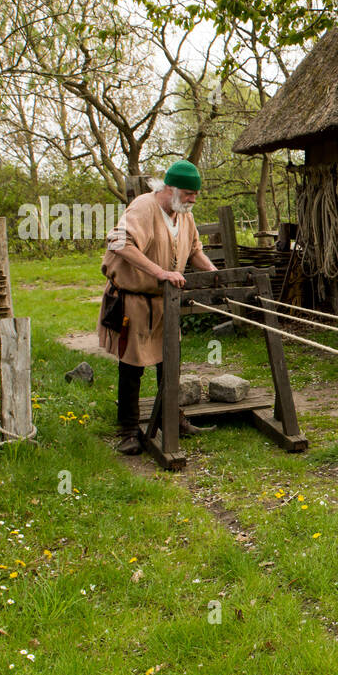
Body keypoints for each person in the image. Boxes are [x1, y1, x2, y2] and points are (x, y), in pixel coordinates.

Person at [97, 160, 217, 455]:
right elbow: (119, 242)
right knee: (132, 367)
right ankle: (128, 430)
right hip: (134, 301)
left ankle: (172, 420)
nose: (193, 199)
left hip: (166, 303)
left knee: (169, 364)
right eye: (189, 193)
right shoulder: (144, 207)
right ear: (170, 188)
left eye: (195, 195)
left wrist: (217, 278)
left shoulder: (184, 215)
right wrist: (160, 273)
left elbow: (196, 252)